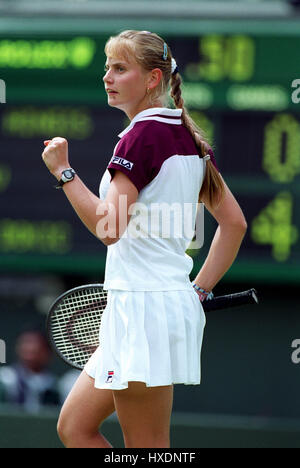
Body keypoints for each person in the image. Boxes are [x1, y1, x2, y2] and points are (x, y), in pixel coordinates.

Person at [41, 30, 247, 448]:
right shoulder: (185, 135)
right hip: (146, 305)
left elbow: (109, 228)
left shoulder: (143, 136)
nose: (107, 77)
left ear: (153, 79)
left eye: (120, 68)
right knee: (75, 427)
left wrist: (64, 173)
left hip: (144, 311)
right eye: (106, 68)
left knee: (149, 449)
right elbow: (235, 224)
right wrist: (200, 290)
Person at [0, 330, 60, 412]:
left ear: (47, 353)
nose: (30, 348)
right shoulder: (5, 379)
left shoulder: (55, 385)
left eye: (36, 346)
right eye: (26, 343)